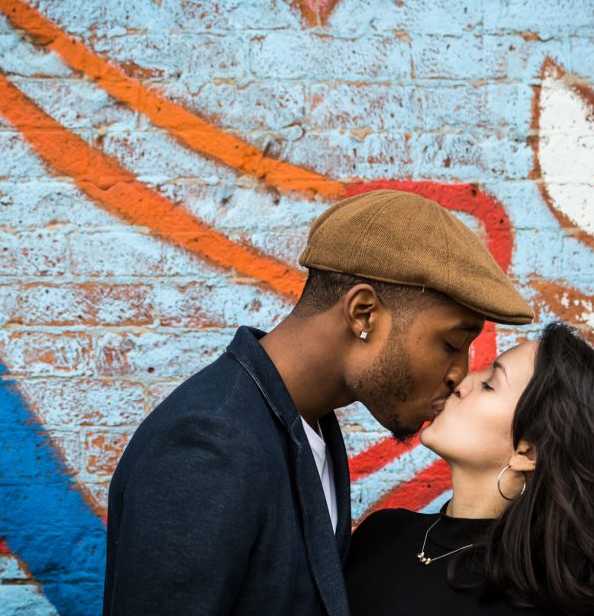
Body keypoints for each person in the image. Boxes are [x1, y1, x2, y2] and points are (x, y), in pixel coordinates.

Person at [102, 190, 533, 615]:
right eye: (451, 343)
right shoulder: (210, 443)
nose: (460, 371)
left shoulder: (307, 427)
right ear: (363, 313)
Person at [345, 322, 594, 615]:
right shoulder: (380, 533)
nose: (460, 382)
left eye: (489, 384)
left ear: (526, 452)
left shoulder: (533, 601)